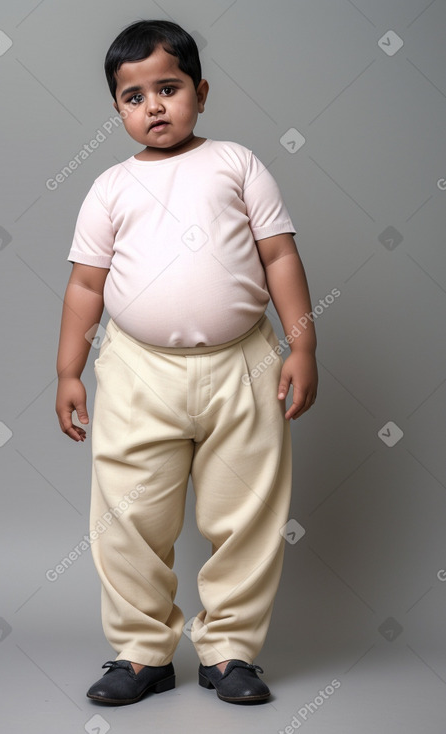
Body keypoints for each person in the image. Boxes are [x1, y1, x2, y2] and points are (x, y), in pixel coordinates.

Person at [55, 18, 318, 706]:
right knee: (130, 515)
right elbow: (85, 285)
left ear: (200, 90)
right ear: (116, 108)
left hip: (244, 366)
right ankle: (141, 653)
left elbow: (279, 256)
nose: (154, 107)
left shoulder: (236, 163)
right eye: (133, 96)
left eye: (167, 88)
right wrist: (67, 372)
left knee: (247, 513)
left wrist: (302, 344)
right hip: (139, 371)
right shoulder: (110, 187)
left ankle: (229, 650)